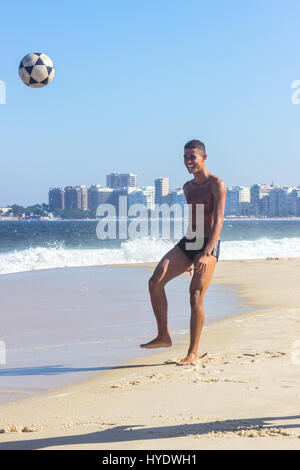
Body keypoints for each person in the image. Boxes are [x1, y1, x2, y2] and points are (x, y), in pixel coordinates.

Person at [140, 139, 226, 365]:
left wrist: (206, 253)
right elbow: (194, 220)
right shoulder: (188, 188)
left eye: (192, 157)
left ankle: (192, 352)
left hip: (209, 243)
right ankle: (163, 335)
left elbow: (218, 222)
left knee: (195, 295)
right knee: (155, 281)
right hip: (191, 240)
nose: (188, 161)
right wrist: (188, 257)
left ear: (204, 158)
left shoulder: (217, 185)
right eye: (185, 157)